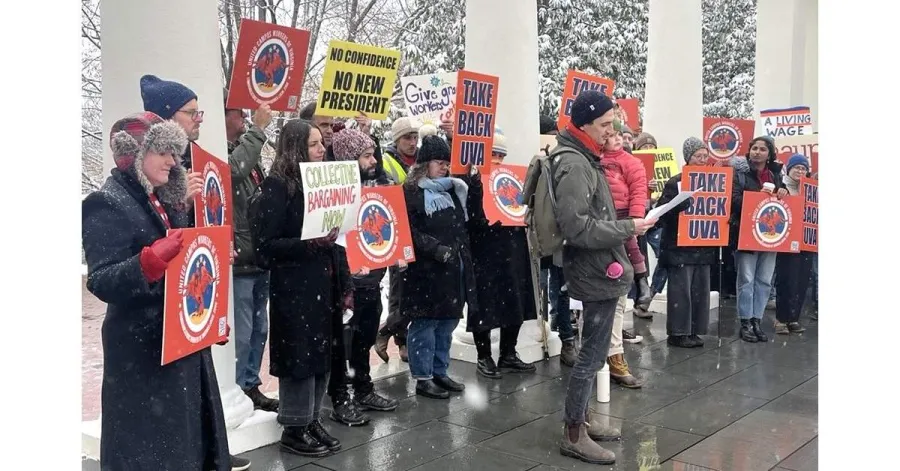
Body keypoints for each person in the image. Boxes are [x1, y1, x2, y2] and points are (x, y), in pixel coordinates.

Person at [83, 112, 238, 470]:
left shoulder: (165, 199)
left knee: (185, 444)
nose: (173, 160)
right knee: (152, 449)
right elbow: (102, 279)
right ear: (135, 153)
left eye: (175, 152)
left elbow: (184, 270)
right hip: (141, 352)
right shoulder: (106, 202)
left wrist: (206, 317)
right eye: (164, 151)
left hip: (176, 344)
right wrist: (147, 263)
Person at [552, 90, 656, 464]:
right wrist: (629, 226)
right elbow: (577, 227)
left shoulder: (583, 157)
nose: (611, 131)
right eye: (605, 124)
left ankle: (580, 419)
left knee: (593, 353)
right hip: (593, 268)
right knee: (592, 356)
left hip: (598, 265)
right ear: (584, 125)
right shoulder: (576, 164)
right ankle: (574, 433)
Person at [253, 119, 349, 456]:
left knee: (323, 352)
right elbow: (265, 246)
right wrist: (308, 244)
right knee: (300, 354)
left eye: (322, 142)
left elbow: (335, 238)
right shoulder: (277, 186)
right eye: (313, 144)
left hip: (324, 281)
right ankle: (294, 426)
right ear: (295, 147)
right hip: (294, 286)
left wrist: (343, 281)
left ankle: (311, 418)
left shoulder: (321, 182)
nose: (322, 149)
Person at [326, 128, 402, 425]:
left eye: (373, 154)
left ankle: (363, 389)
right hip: (347, 281)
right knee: (343, 341)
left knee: (365, 336)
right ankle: (339, 396)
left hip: (371, 279)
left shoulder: (374, 187)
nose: (374, 161)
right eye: (367, 156)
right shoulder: (335, 194)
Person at [401, 135, 476, 400]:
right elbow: (409, 230)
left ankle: (439, 370)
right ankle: (423, 377)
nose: (444, 167)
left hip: (453, 267)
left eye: (446, 162)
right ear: (425, 164)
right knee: (425, 323)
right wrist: (434, 248)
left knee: (448, 322)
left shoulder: (453, 189)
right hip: (425, 270)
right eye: (438, 162)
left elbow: (461, 225)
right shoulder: (410, 192)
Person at [465, 130, 538, 379]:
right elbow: (470, 217)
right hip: (484, 249)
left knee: (515, 298)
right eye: (493, 154)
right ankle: (484, 356)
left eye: (500, 154)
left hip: (513, 246)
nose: (497, 159)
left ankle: (508, 352)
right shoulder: (472, 181)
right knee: (484, 302)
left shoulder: (511, 178)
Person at [224, 96, 279, 412]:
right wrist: (257, 130)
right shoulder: (223, 151)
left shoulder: (246, 149)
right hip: (241, 260)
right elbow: (233, 171)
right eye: (238, 112)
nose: (245, 116)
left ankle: (250, 384)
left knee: (260, 329)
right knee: (243, 332)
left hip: (258, 255)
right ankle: (237, 390)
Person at [656, 138, 717, 348]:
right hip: (679, 246)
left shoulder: (714, 181)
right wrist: (678, 206)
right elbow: (662, 212)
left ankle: (694, 330)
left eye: (705, 156)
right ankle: (678, 332)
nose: (702, 160)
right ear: (688, 158)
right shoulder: (675, 182)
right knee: (681, 292)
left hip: (703, 245)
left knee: (700, 291)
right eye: (697, 156)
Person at [373, 116, 423, 363]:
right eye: (407, 138)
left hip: (420, 230)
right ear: (397, 139)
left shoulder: (423, 158)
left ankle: (389, 331)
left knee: (417, 289)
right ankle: (399, 338)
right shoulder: (387, 162)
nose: (412, 142)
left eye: (415, 137)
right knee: (400, 290)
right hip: (398, 231)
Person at [729, 136, 784, 343]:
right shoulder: (739, 174)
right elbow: (733, 200)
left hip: (770, 236)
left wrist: (783, 192)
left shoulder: (775, 175)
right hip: (746, 234)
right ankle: (745, 322)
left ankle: (757, 320)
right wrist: (757, 196)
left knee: (764, 280)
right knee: (746, 280)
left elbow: (782, 202)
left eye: (762, 149)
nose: (757, 152)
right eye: (754, 148)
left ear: (769, 154)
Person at [538, 114, 578, 366]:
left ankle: (566, 339)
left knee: (561, 289)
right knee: (544, 287)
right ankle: (557, 333)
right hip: (543, 234)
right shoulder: (538, 163)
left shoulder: (570, 162)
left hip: (563, 235)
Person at [774, 154, 814, 335]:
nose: (800, 171)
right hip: (787, 239)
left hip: (806, 239)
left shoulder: (811, 189)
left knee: (802, 280)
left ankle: (794, 318)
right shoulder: (780, 185)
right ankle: (781, 319)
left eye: (804, 168)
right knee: (786, 279)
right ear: (789, 169)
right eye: (797, 167)